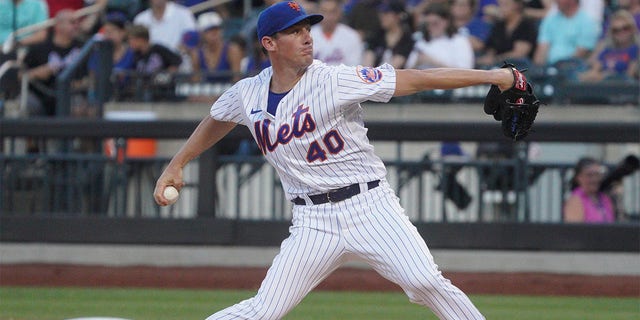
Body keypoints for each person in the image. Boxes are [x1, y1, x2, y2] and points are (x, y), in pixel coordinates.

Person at [154, 1, 520, 319]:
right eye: (294, 32)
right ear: (269, 43)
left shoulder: (334, 80)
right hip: (312, 221)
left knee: (424, 281)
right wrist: (177, 163)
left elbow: (417, 79)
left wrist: (494, 76)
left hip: (369, 206)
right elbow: (218, 117)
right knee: (264, 310)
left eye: (306, 29)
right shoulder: (247, 92)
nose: (307, 36)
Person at [406, 2, 475, 69]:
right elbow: (408, 70)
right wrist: (417, 62)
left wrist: (433, 62)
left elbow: (466, 70)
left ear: (446, 21)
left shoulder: (459, 41)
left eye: (435, 23)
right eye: (428, 24)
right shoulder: (421, 42)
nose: (431, 27)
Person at [533, 0, 600, 67]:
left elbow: (581, 52)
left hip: (572, 69)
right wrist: (538, 68)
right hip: (548, 68)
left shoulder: (587, 22)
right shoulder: (550, 20)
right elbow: (542, 49)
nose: (556, 1)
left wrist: (561, 68)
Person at [578, 9, 639, 82]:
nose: (621, 32)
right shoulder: (607, 50)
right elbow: (594, 70)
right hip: (602, 88)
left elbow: (630, 76)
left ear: (632, 29)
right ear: (612, 33)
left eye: (625, 28)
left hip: (622, 89)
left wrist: (604, 76)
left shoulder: (636, 50)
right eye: (616, 30)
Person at [476, 0, 538, 68]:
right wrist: (488, 58)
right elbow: (491, 48)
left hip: (519, 67)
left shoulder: (526, 25)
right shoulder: (498, 25)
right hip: (498, 66)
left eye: (505, 5)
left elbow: (519, 53)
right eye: (500, 5)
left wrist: (496, 59)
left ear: (517, 5)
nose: (501, 8)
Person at [186, 11, 245, 83]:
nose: (214, 33)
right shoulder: (196, 54)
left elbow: (237, 80)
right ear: (201, 34)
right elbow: (195, 82)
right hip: (205, 92)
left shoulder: (232, 50)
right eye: (209, 30)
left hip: (229, 91)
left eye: (217, 29)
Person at [363, 0, 415, 68]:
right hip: (372, 75)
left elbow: (394, 66)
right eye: (381, 13)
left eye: (386, 13)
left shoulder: (407, 39)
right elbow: (368, 58)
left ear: (398, 16)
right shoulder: (376, 35)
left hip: (396, 76)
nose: (382, 17)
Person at [311, 0, 365, 66]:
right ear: (317, 12)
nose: (328, 16)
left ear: (339, 12)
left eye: (332, 12)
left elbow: (355, 67)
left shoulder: (352, 36)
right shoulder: (308, 35)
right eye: (324, 11)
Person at [563, 157, 615, 223]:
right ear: (579, 177)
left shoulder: (605, 198)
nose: (595, 179)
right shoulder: (576, 201)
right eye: (589, 175)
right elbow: (574, 231)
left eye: (597, 174)